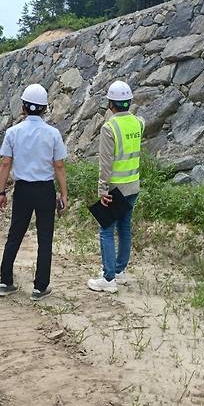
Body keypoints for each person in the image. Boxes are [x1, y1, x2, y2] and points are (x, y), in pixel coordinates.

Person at [0, 83, 68, 301]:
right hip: (45, 189)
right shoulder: (53, 133)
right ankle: (40, 287)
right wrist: (63, 194)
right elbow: (59, 166)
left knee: (15, 235)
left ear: (23, 106)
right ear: (45, 108)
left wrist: (1, 192)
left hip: (22, 189)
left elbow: (6, 164)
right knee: (45, 238)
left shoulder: (13, 132)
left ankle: (5, 281)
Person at [87, 80, 145, 294]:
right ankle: (120, 270)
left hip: (115, 189)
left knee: (106, 230)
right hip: (133, 186)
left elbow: (105, 164)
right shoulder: (138, 123)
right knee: (124, 228)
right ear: (129, 102)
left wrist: (102, 190)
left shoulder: (109, 127)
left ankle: (108, 278)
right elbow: (141, 121)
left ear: (110, 103)